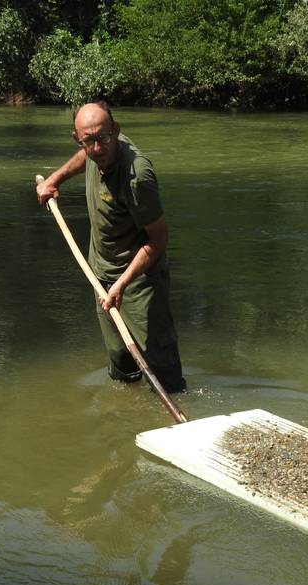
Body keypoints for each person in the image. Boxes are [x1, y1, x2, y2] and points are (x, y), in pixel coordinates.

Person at [36, 101, 186, 393]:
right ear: (78, 139)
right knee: (121, 363)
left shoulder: (137, 177)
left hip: (140, 281)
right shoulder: (93, 148)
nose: (97, 148)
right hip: (101, 274)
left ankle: (178, 409)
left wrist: (122, 284)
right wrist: (55, 180)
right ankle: (126, 411)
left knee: (162, 370)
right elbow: (85, 157)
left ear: (115, 131)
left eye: (103, 138)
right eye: (88, 141)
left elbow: (158, 239)